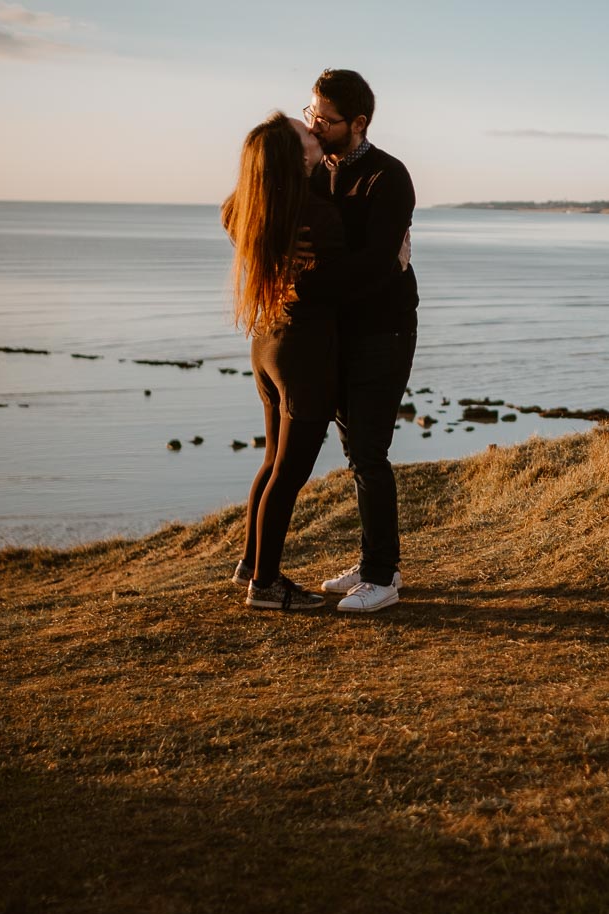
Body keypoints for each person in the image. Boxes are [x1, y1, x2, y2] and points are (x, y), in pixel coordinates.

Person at [304, 68, 419, 614]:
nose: (316, 126)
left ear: (358, 122)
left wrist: (302, 283)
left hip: (384, 328)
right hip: (337, 331)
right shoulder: (313, 170)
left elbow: (376, 263)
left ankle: (382, 576)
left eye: (325, 120)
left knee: (371, 452)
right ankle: (373, 559)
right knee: (355, 452)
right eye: (312, 116)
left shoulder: (387, 176)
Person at [222, 113, 345, 611]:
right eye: (306, 135)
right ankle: (267, 585)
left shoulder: (251, 211)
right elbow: (346, 283)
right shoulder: (319, 213)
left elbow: (229, 213)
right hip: (305, 353)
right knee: (289, 473)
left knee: (273, 461)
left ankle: (251, 564)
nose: (316, 135)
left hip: (267, 341)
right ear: (298, 159)